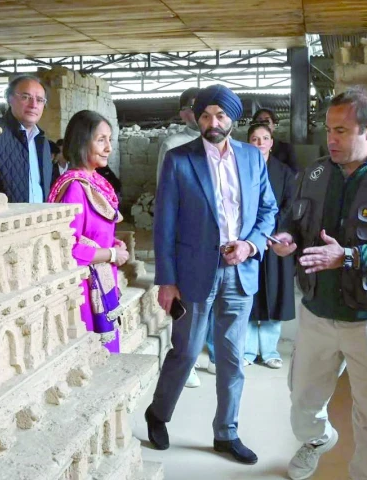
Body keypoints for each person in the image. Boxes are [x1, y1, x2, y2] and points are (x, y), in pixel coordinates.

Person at [271, 86, 367, 480]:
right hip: (317, 313)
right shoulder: (314, 174)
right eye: (328, 130)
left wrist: (350, 256)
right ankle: (317, 440)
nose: (331, 139)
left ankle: (365, 475)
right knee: (302, 402)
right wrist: (286, 237)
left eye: (341, 131)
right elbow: (293, 220)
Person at [145, 84, 278, 465]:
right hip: (193, 272)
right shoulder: (179, 160)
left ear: (232, 119)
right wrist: (166, 280)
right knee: (186, 351)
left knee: (233, 358)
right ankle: (158, 414)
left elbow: (268, 210)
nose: (212, 123)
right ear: (197, 119)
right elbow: (164, 224)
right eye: (205, 116)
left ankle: (226, 432)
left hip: (240, 271)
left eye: (220, 116)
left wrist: (250, 245)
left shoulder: (252, 158)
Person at [48, 110, 129, 353]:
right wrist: (111, 255)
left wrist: (112, 242)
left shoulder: (96, 182)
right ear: (82, 142)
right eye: (101, 140)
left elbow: (92, 233)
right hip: (85, 291)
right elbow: (68, 248)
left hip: (103, 279)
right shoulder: (74, 187)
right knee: (97, 355)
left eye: (109, 140)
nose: (108, 148)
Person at [156, 87, 215, 388]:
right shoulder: (174, 145)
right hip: (186, 238)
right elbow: (165, 196)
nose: (201, 114)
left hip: (214, 240)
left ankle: (208, 354)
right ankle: (185, 362)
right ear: (183, 113)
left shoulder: (218, 142)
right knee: (186, 305)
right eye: (194, 108)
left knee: (212, 303)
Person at [244, 123, 296, 369]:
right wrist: (253, 236)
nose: (260, 143)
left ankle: (270, 351)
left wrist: (271, 234)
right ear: (248, 143)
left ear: (272, 142)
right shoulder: (241, 169)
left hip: (275, 242)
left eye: (265, 138)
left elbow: (289, 204)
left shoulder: (284, 172)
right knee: (247, 294)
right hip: (248, 242)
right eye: (255, 139)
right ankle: (247, 351)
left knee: (274, 295)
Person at [0, 75, 52, 203]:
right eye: (25, 97)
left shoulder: (42, 141)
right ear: (9, 99)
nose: (33, 105)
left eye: (39, 100)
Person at [156, 87, 201, 184]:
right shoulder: (172, 145)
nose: (200, 112)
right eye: (194, 107)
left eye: (204, 107)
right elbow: (164, 186)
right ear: (182, 114)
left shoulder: (221, 141)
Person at [252, 108, 299, 174]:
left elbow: (294, 172)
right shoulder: (248, 148)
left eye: (266, 121)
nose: (263, 124)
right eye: (259, 121)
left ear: (273, 126)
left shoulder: (286, 148)